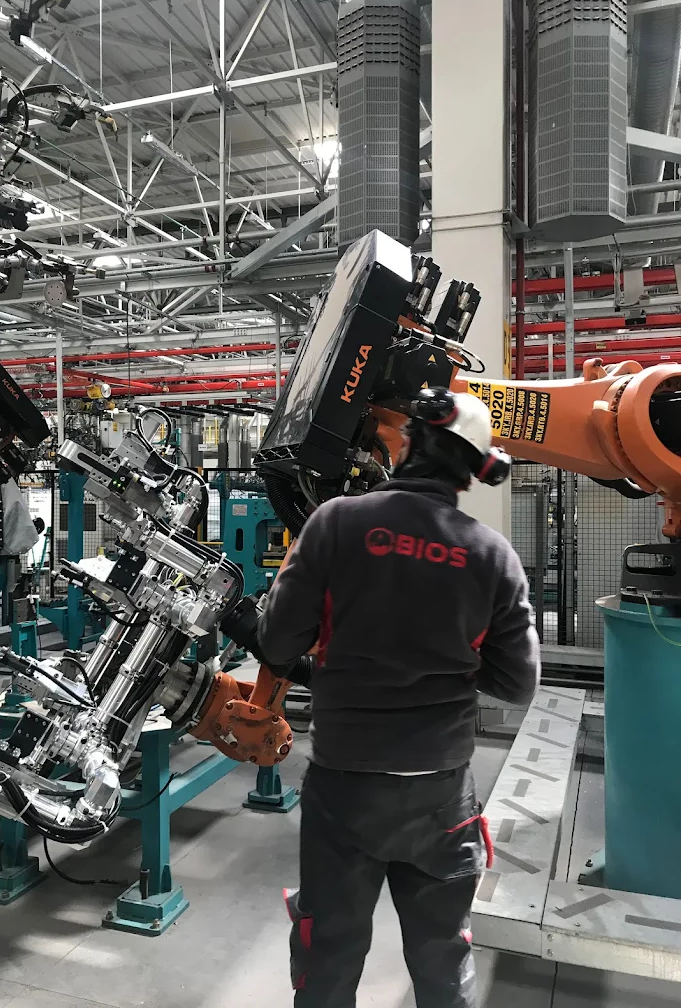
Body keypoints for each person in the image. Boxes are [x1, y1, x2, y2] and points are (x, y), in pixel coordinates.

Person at [256, 387, 541, 1008]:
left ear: (408, 444)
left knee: (328, 958)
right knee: (443, 960)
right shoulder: (493, 556)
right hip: (442, 795)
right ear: (475, 471)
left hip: (345, 789)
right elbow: (520, 684)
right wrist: (451, 663)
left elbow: (277, 643)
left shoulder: (335, 524)